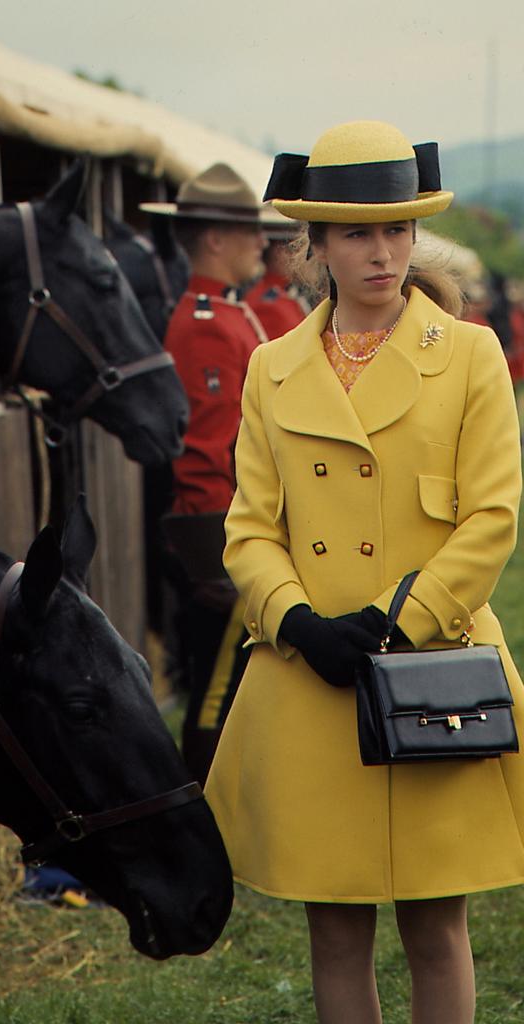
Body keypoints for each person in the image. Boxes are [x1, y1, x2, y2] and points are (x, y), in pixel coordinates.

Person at [205, 120, 524, 1024]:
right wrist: (298, 623)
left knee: (437, 925)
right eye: (355, 233)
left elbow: (492, 517)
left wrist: (398, 624)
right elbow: (250, 528)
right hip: (312, 681)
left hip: (430, 673)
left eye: (396, 230)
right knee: (335, 932)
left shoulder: (468, 354)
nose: (381, 253)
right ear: (316, 246)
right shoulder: (272, 369)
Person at [140, 163, 269, 783]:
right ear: (215, 239)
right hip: (216, 529)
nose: (262, 244)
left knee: (235, 685)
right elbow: (207, 449)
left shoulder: (224, 313)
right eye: (249, 231)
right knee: (215, 694)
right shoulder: (204, 325)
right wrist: (218, 553)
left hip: (233, 522)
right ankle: (203, 817)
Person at [244, 223, 309, 339]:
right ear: (279, 253)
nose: (301, 258)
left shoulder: (285, 294)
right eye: (294, 250)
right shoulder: (268, 304)